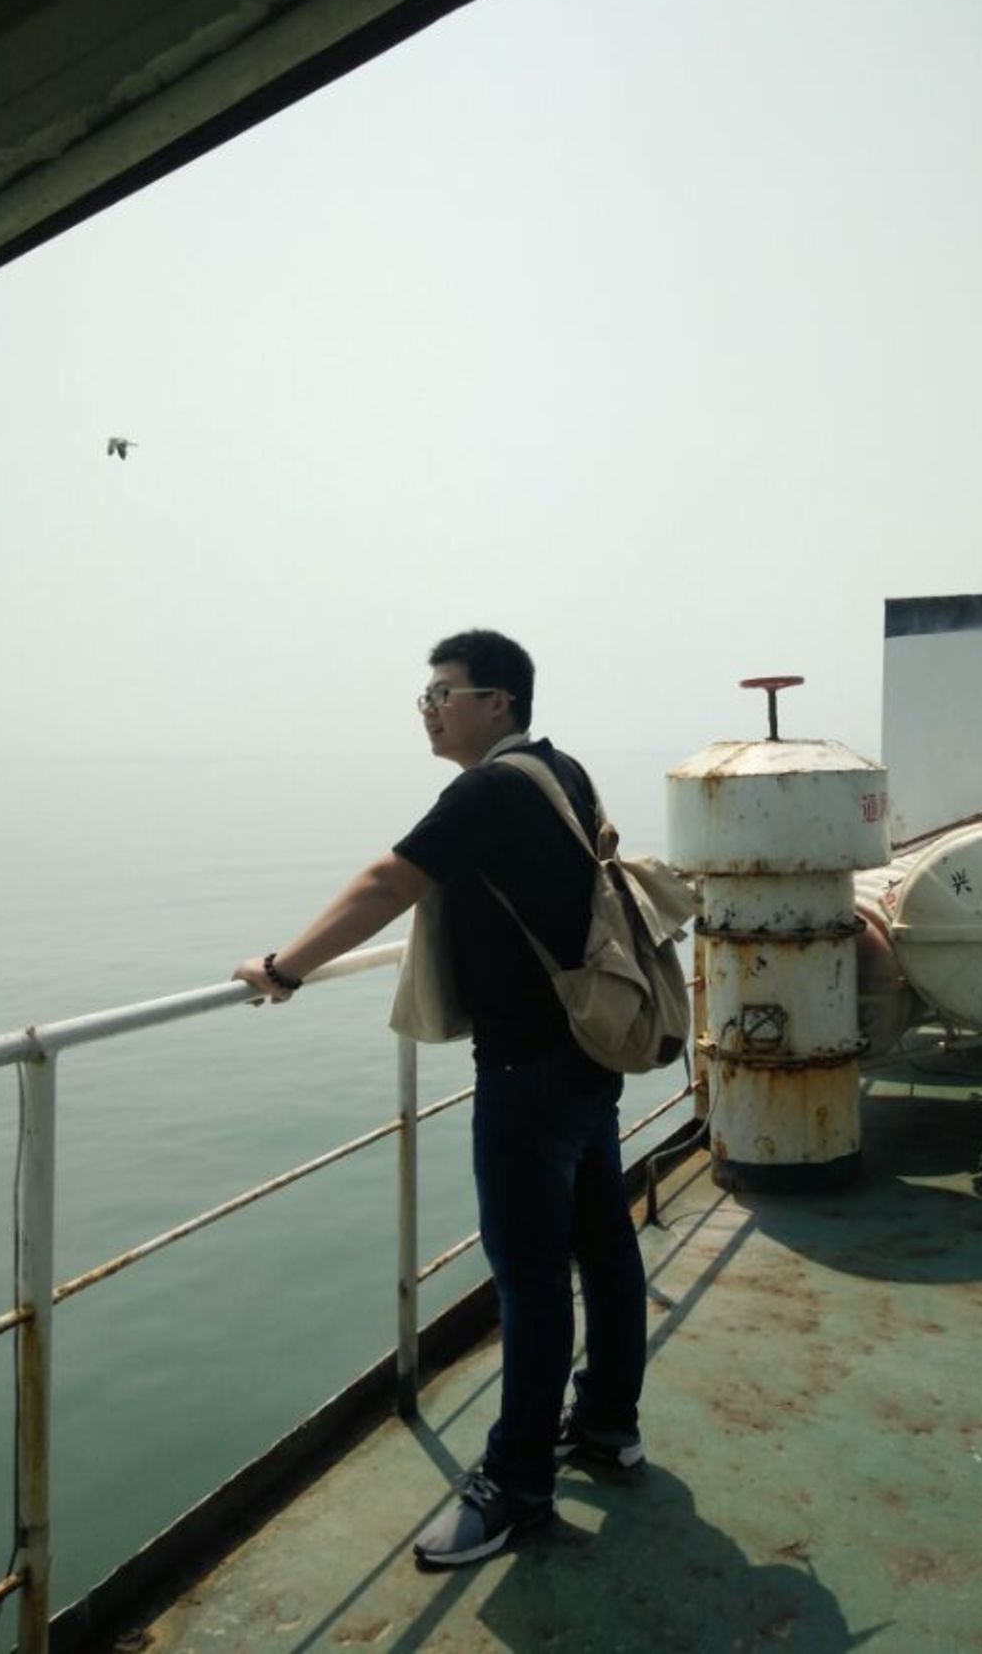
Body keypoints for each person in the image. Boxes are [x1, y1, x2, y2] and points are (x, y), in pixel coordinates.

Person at [233, 629, 648, 1569]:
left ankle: (517, 1485)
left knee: (531, 1279)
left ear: (496, 702)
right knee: (602, 1244)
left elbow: (389, 880)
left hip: (528, 1072)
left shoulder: (489, 790)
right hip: (587, 1051)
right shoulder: (562, 771)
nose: (427, 710)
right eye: (424, 696)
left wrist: (283, 967)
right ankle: (608, 1423)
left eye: (441, 693)